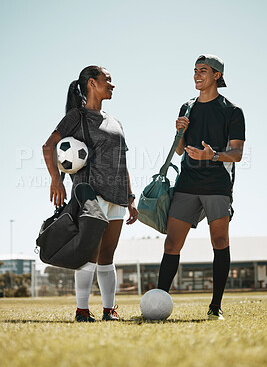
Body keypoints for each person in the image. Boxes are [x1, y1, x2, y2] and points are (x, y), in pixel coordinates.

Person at [42, 65, 138, 322]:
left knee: (108, 255)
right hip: (90, 195)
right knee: (89, 254)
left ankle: (109, 311)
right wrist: (56, 181)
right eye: (108, 80)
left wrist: (130, 198)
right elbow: (48, 146)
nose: (112, 84)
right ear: (92, 84)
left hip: (117, 196)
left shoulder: (115, 121)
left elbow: (122, 162)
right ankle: (82, 311)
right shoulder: (77, 116)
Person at [157, 55, 245, 320]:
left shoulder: (232, 111)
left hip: (217, 185)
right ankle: (160, 302)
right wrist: (179, 131)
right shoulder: (187, 106)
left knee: (219, 241)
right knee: (172, 243)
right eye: (195, 71)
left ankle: (215, 306)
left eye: (203, 71)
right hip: (187, 183)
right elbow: (181, 149)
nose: (197, 75)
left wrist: (212, 156)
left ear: (217, 75)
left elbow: (237, 153)